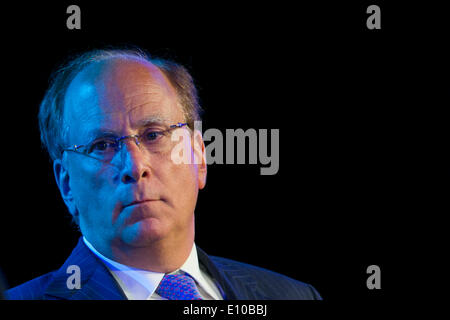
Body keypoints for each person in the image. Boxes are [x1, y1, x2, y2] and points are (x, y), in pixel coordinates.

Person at [5, 48, 321, 300]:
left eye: (154, 134)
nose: (134, 166)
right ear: (66, 184)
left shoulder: (292, 295)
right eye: (102, 145)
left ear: (198, 157)